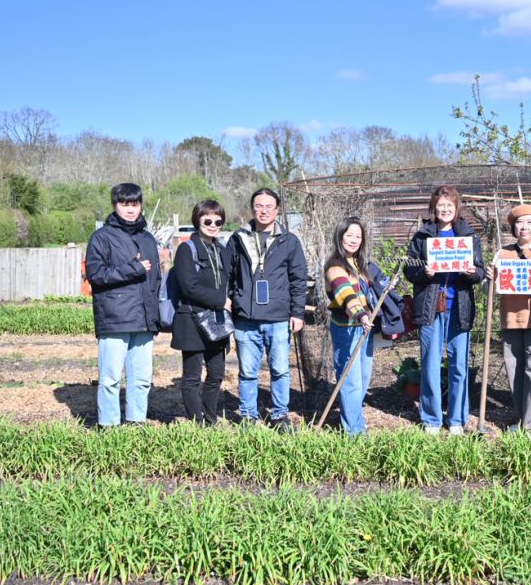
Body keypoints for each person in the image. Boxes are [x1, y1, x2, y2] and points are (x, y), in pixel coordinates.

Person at [404, 185, 486, 435]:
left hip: (459, 308)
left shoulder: (469, 236)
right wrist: (423, 273)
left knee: (459, 365)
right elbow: (410, 269)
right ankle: (431, 418)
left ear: (456, 207)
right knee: (430, 363)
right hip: (431, 308)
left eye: (449, 205)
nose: (445, 209)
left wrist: (472, 273)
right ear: (434, 208)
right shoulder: (422, 236)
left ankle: (458, 420)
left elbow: (480, 271)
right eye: (440, 206)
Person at [227, 187, 309, 433]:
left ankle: (280, 416)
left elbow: (298, 279)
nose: (263, 211)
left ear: (277, 210)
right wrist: (231, 299)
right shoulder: (238, 238)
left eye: (269, 206)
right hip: (246, 319)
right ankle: (248, 416)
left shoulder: (289, 241)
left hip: (278, 318)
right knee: (247, 372)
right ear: (252, 209)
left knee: (280, 370)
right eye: (259, 206)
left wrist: (297, 313)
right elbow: (227, 273)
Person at [84, 182, 161, 429]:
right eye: (124, 204)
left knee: (141, 378)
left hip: (144, 318)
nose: (130, 209)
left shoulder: (148, 239)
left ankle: (136, 420)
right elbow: (96, 276)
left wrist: (154, 312)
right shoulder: (101, 237)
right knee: (110, 378)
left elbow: (156, 279)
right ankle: (108, 424)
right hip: (114, 317)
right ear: (115, 205)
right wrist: (133, 268)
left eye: (135, 204)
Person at [323, 216, 405, 436]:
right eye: (349, 235)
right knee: (350, 381)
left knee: (363, 378)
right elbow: (345, 294)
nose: (353, 240)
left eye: (358, 236)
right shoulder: (334, 266)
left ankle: (356, 422)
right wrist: (361, 314)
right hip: (347, 328)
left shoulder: (361, 265)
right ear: (340, 237)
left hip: (364, 328)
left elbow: (375, 287)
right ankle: (354, 434)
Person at [170, 199, 233, 426]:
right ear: (198, 220)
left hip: (217, 320)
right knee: (192, 377)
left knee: (216, 374)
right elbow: (189, 287)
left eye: (218, 221)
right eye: (208, 220)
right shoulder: (187, 249)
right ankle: (197, 422)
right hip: (192, 319)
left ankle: (210, 416)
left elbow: (229, 282)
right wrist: (221, 300)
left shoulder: (222, 250)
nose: (213, 224)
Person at [494, 204, 531, 433]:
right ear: (513, 227)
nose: (524, 227)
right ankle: (521, 418)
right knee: (515, 369)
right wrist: (491, 276)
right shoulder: (503, 253)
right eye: (519, 222)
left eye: (530, 222)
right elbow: (491, 288)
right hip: (510, 318)